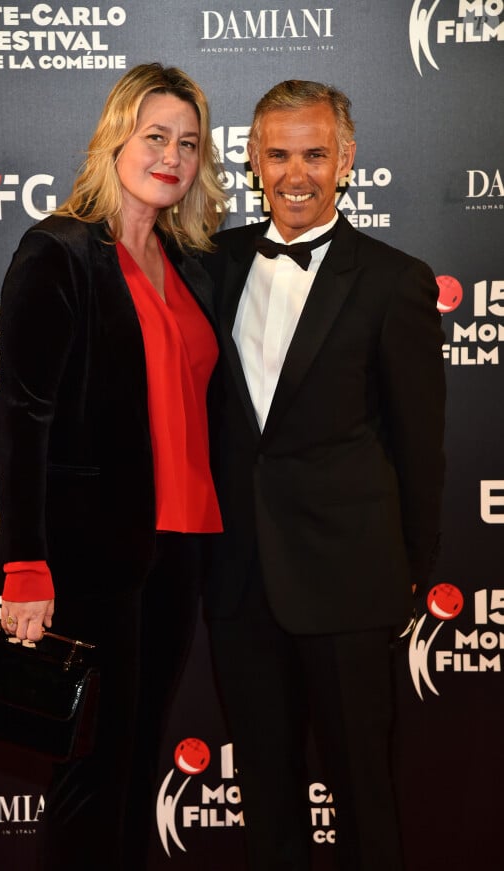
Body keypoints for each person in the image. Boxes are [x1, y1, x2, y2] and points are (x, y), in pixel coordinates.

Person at [204, 80, 445, 871]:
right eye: (278, 154)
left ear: (346, 160)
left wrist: (407, 573)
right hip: (239, 578)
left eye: (314, 153)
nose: (295, 173)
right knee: (267, 799)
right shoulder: (215, 263)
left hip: (349, 581)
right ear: (252, 159)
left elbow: (420, 443)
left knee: (362, 797)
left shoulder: (392, 279)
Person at [0, 62, 227, 870]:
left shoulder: (191, 262)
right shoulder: (57, 250)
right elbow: (24, 416)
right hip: (91, 556)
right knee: (90, 775)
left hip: (181, 550)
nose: (171, 156)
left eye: (188, 143)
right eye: (155, 136)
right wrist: (24, 561)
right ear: (115, 139)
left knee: (134, 765)